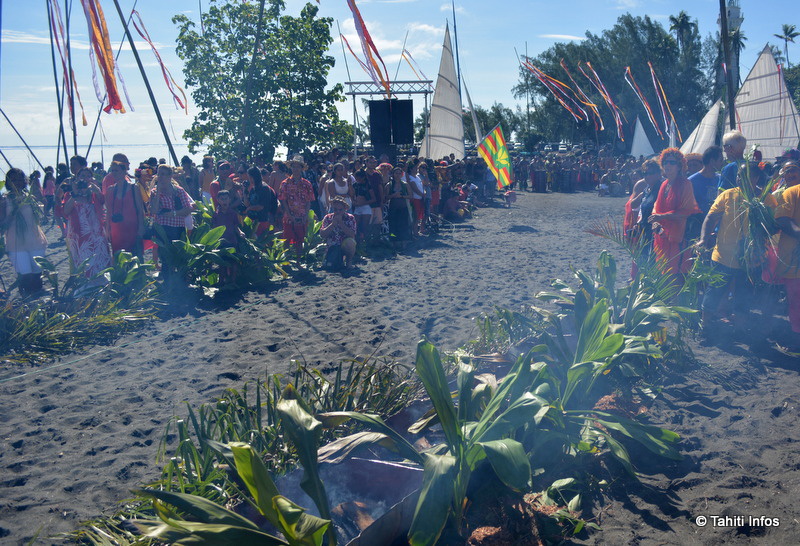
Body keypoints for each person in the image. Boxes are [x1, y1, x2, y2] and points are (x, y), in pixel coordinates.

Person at [698, 162, 778, 337]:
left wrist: (760, 223)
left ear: (756, 178)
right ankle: (705, 327)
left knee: (743, 296)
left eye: (745, 176)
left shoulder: (766, 199)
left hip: (750, 260)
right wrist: (704, 238)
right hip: (722, 256)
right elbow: (710, 217)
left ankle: (740, 329)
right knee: (713, 292)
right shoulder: (728, 195)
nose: (740, 180)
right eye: (738, 176)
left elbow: (773, 227)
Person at [648, 148, 700, 279]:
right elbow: (656, 207)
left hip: (679, 237)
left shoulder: (685, 184)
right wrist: (655, 221)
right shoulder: (664, 184)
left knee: (676, 275)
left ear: (679, 166)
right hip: (662, 235)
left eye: (672, 162)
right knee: (664, 275)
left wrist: (662, 216)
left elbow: (686, 211)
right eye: (665, 162)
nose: (668, 165)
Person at [1, 168, 48, 294]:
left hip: (34, 239)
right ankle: (26, 296)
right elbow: (2, 224)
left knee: (37, 273)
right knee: (25, 274)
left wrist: (42, 201)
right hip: (15, 242)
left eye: (19, 179)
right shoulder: (5, 200)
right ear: (8, 182)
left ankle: (37, 297)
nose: (17, 182)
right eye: (13, 180)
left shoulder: (30, 197)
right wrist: (15, 210)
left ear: (24, 181)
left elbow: (40, 216)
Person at [63, 167, 112, 278]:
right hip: (78, 232)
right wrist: (75, 194)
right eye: (82, 176)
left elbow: (104, 202)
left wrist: (97, 191)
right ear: (77, 178)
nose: (85, 179)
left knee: (100, 254)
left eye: (88, 176)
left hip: (96, 230)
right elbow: (66, 211)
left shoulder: (93, 192)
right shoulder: (70, 193)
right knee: (84, 258)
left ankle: (101, 279)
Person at [150, 164, 196, 280]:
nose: (160, 177)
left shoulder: (178, 191)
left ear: (170, 176)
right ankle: (167, 281)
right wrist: (158, 192)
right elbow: (154, 210)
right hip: (163, 228)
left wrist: (173, 213)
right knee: (164, 256)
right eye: (159, 174)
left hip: (177, 228)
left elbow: (188, 209)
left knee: (177, 256)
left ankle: (179, 281)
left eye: (163, 174)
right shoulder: (155, 192)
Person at [774, 174, 800, 349]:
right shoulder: (792, 192)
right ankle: (796, 337)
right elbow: (782, 220)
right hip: (794, 260)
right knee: (796, 299)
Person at [105, 160, 145, 257]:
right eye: (112, 171)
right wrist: (107, 229)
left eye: (116, 170)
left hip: (132, 228)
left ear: (124, 172)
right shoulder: (110, 189)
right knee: (118, 257)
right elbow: (108, 212)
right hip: (116, 229)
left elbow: (140, 210)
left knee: (134, 256)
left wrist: (141, 227)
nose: (114, 173)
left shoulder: (133, 188)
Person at [278, 156, 315, 253]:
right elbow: (283, 200)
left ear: (302, 168)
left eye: (298, 167)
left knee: (299, 241)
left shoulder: (307, 184)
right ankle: (286, 260)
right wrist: (289, 215)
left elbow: (309, 201)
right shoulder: (285, 183)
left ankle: (298, 260)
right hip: (289, 217)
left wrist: (306, 215)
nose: (295, 169)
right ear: (291, 168)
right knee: (287, 240)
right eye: (294, 166)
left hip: (301, 216)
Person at [320, 195, 357, 271]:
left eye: (340, 210)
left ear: (345, 209)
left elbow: (352, 234)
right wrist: (332, 224)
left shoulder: (350, 218)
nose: (338, 212)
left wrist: (341, 223)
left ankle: (348, 263)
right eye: (335, 209)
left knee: (350, 243)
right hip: (331, 247)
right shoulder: (328, 217)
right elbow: (322, 235)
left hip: (344, 246)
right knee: (331, 265)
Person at [243, 165, 278, 237]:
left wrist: (249, 208)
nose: (249, 179)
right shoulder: (253, 188)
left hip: (262, 220)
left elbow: (261, 206)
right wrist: (244, 191)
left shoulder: (264, 188)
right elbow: (247, 204)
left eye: (250, 177)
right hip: (252, 220)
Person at [385, 166, 412, 245]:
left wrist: (402, 196)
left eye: (399, 173)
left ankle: (403, 242)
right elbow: (386, 197)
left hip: (403, 208)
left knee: (403, 225)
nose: (398, 175)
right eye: (396, 173)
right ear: (393, 174)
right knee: (393, 226)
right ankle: (394, 242)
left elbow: (410, 195)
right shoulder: (389, 185)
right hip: (393, 208)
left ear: (402, 174)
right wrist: (394, 195)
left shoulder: (405, 184)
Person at [351, 169, 375, 244]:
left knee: (365, 226)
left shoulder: (368, 185)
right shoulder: (355, 185)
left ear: (363, 177)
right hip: (357, 207)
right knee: (356, 225)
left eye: (358, 177)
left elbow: (373, 199)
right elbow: (352, 195)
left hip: (366, 207)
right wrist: (354, 202)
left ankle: (367, 242)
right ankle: (358, 242)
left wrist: (364, 203)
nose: (357, 179)